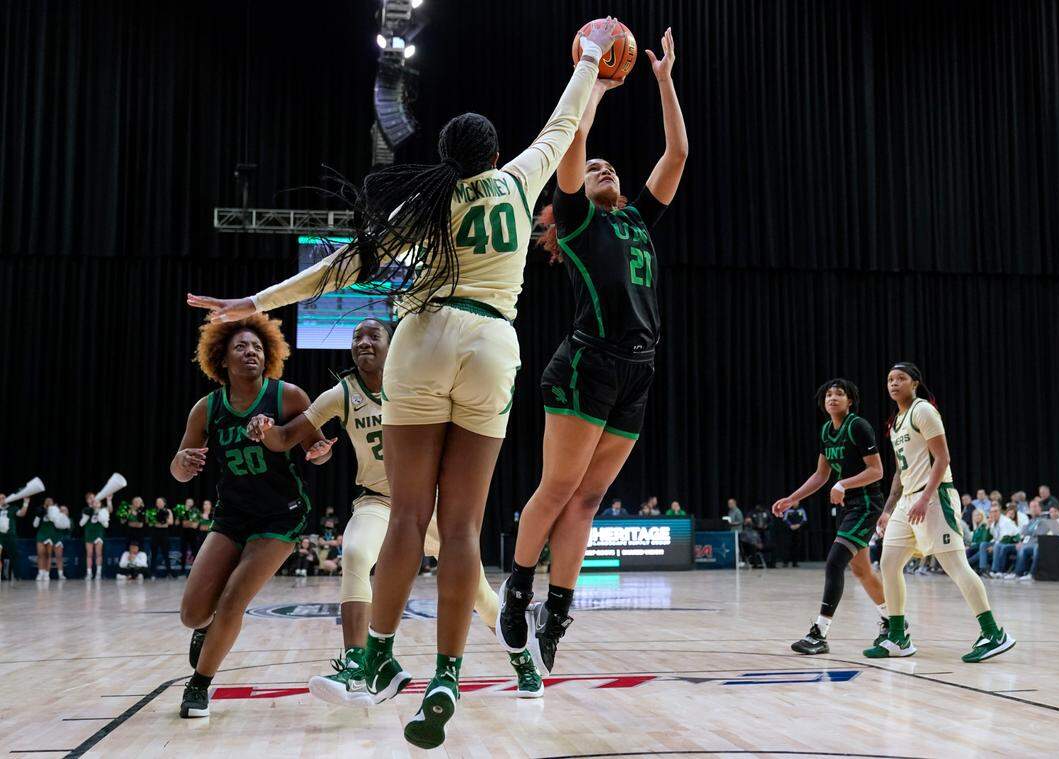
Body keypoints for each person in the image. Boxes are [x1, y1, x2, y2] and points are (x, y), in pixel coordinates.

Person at [187, 23, 621, 747]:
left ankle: (380, 658)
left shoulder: (421, 206)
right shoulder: (518, 179)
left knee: (406, 515)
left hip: (419, 342)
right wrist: (590, 63)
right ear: (491, 153)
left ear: (445, 158)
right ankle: (448, 674)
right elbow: (565, 118)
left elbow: (340, 270)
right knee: (462, 528)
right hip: (491, 342)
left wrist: (256, 302)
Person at [496, 27, 687, 684]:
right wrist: (596, 86)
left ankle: (558, 610)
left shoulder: (638, 220)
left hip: (639, 368)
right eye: (596, 166)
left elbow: (678, 153)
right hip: (587, 363)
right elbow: (572, 146)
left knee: (589, 500)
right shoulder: (579, 220)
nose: (605, 168)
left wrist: (661, 81)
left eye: (613, 167)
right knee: (558, 489)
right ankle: (517, 590)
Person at [247, 318, 543, 705]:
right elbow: (286, 437)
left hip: (432, 505)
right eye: (356, 337)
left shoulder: (421, 383)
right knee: (353, 552)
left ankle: (522, 660)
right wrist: (265, 428)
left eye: (374, 336)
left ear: (396, 344)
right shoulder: (343, 393)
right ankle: (357, 666)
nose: (363, 342)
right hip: (381, 501)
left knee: (479, 594)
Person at [172, 314, 330, 720]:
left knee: (232, 601)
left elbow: (319, 448)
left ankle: (199, 685)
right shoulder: (206, 409)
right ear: (221, 359)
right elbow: (177, 466)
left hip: (280, 517)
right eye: (241, 347)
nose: (250, 352)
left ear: (269, 355)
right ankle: (205, 632)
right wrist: (183, 463)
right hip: (232, 515)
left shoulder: (288, 396)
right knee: (192, 613)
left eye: (258, 347)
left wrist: (318, 452)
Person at [864, 363, 1014, 663]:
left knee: (955, 564)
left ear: (915, 383)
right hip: (908, 500)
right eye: (890, 380)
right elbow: (899, 471)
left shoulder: (923, 411)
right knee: (889, 562)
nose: (894, 384)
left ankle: (993, 633)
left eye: (900, 379)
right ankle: (898, 636)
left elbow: (943, 457)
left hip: (933, 497)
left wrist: (926, 497)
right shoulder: (895, 422)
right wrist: (888, 509)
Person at [773, 379, 890, 655]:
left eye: (840, 394)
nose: (833, 398)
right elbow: (821, 474)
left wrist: (844, 484)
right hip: (849, 506)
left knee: (834, 562)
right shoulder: (827, 430)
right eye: (828, 394)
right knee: (862, 570)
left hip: (866, 503)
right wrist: (793, 498)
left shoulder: (858, 426)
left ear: (850, 401)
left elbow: (877, 471)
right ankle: (893, 621)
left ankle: (819, 633)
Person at [80, 493, 112, 579]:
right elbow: (81, 523)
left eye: (94, 497)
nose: (93, 499)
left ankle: (98, 573)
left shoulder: (101, 509)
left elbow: (110, 510)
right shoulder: (86, 510)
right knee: (89, 554)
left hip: (98, 533)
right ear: (87, 501)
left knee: (98, 553)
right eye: (90, 498)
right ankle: (89, 573)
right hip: (89, 533)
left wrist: (109, 500)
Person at [0, 495, 31, 580]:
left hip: (10, 535)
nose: (2, 499)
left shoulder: (13, 508)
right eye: (0, 498)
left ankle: (17, 575)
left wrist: (26, 503)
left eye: (3, 498)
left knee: (14, 555)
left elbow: (22, 514)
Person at [150, 497, 175, 578]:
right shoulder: (153, 511)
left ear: (164, 503)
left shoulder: (168, 511)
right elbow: (150, 522)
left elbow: (171, 522)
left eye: (160, 502)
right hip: (155, 532)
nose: (159, 503)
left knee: (165, 553)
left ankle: (169, 573)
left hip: (164, 532)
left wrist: (164, 518)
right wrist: (157, 518)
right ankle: (152, 573)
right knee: (154, 554)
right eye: (157, 502)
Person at [782, 502, 807, 567]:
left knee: (796, 547)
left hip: (798, 531)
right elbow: (785, 519)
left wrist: (799, 525)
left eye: (797, 502)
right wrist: (790, 525)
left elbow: (804, 519)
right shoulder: (788, 510)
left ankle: (795, 563)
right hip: (789, 531)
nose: (795, 503)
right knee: (788, 546)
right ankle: (785, 562)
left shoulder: (801, 510)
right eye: (794, 502)